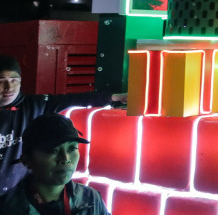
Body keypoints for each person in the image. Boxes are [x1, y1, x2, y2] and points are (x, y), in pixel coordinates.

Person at [0, 55, 125, 195]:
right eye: (1, 81)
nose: (8, 87)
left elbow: (75, 99)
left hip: (18, 195)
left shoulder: (34, 105)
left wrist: (115, 98)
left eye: (14, 80)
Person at [0, 113, 109, 214]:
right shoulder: (7, 208)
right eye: (53, 151)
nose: (65, 158)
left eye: (72, 148)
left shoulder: (91, 199)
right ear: (27, 160)